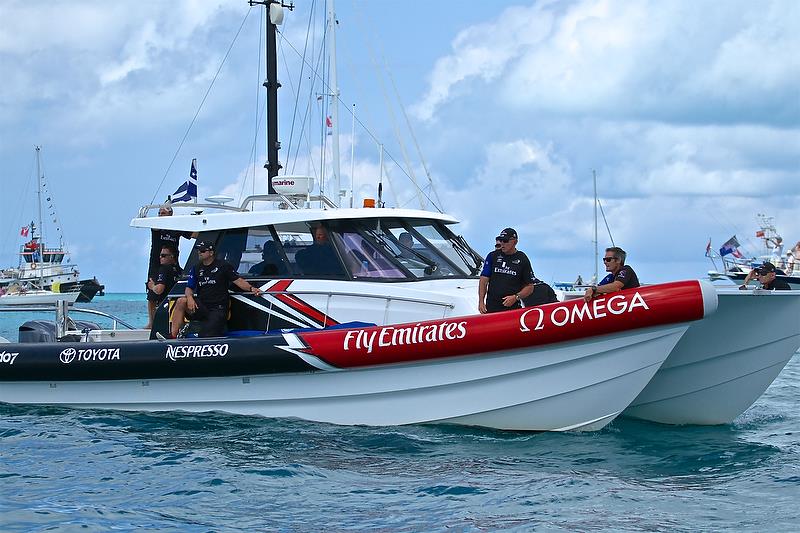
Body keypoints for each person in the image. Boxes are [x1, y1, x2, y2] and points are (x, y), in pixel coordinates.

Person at [170, 241, 263, 338]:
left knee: (206, 335)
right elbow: (189, 287)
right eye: (198, 251)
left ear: (211, 253)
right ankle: (173, 336)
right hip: (202, 306)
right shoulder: (196, 268)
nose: (199, 253)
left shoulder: (223, 266)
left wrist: (252, 288)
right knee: (181, 301)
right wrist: (189, 298)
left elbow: (238, 281)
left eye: (202, 251)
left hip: (218, 308)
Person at [478, 228, 535, 313]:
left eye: (505, 241)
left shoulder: (522, 259)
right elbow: (483, 281)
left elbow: (530, 287)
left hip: (512, 309)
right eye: (501, 240)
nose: (502, 243)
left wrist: (516, 297)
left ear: (515, 241)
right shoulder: (493, 256)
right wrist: (481, 301)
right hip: (491, 308)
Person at [147, 203, 193, 288]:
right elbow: (153, 224)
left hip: (173, 265)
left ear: (170, 214)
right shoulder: (156, 227)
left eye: (163, 213)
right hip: (156, 265)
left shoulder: (176, 227)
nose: (160, 215)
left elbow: (194, 234)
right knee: (153, 296)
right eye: (159, 213)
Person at [145, 244, 182, 328]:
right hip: (177, 308)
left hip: (165, 308)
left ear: (172, 256)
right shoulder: (180, 271)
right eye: (160, 255)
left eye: (163, 255)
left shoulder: (164, 269)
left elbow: (159, 289)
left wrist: (152, 286)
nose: (160, 257)